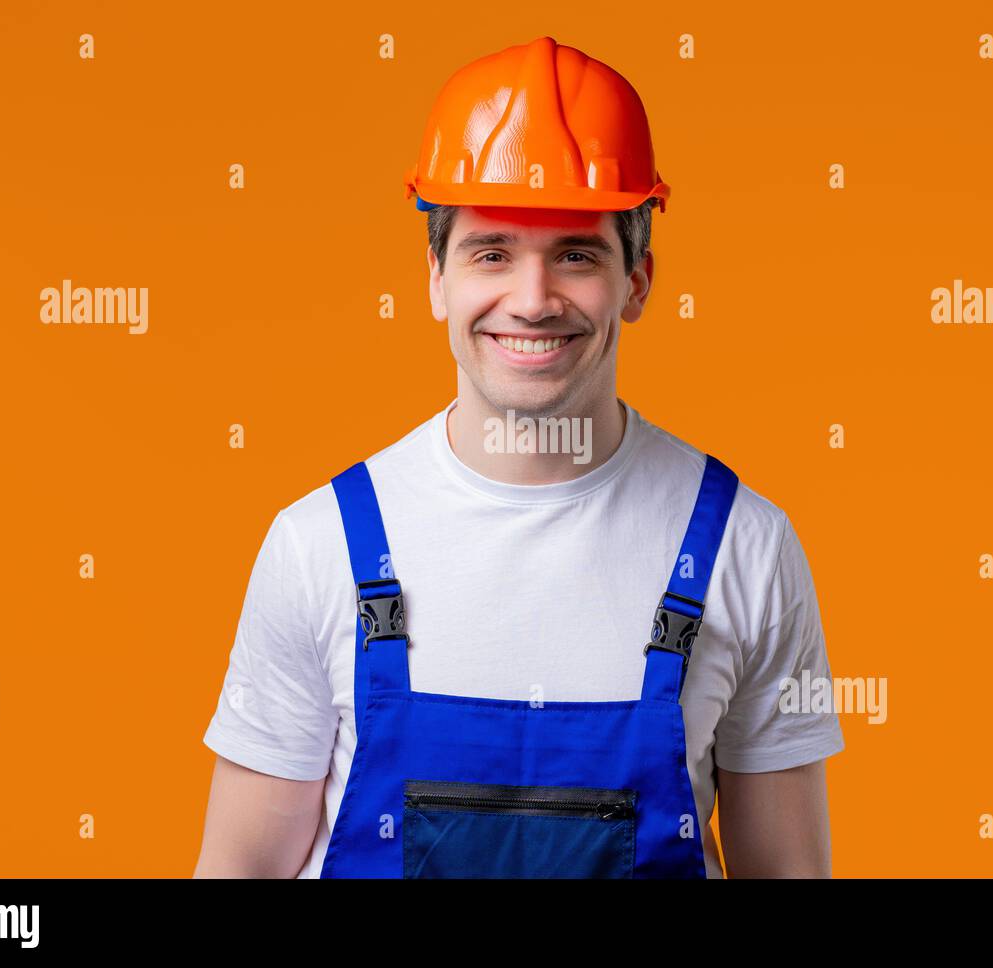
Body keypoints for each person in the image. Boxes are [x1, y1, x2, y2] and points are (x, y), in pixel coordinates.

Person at [194, 35, 844, 879]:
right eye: (491, 252)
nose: (532, 302)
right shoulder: (317, 546)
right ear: (435, 277)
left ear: (638, 279)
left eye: (576, 254)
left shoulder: (745, 550)